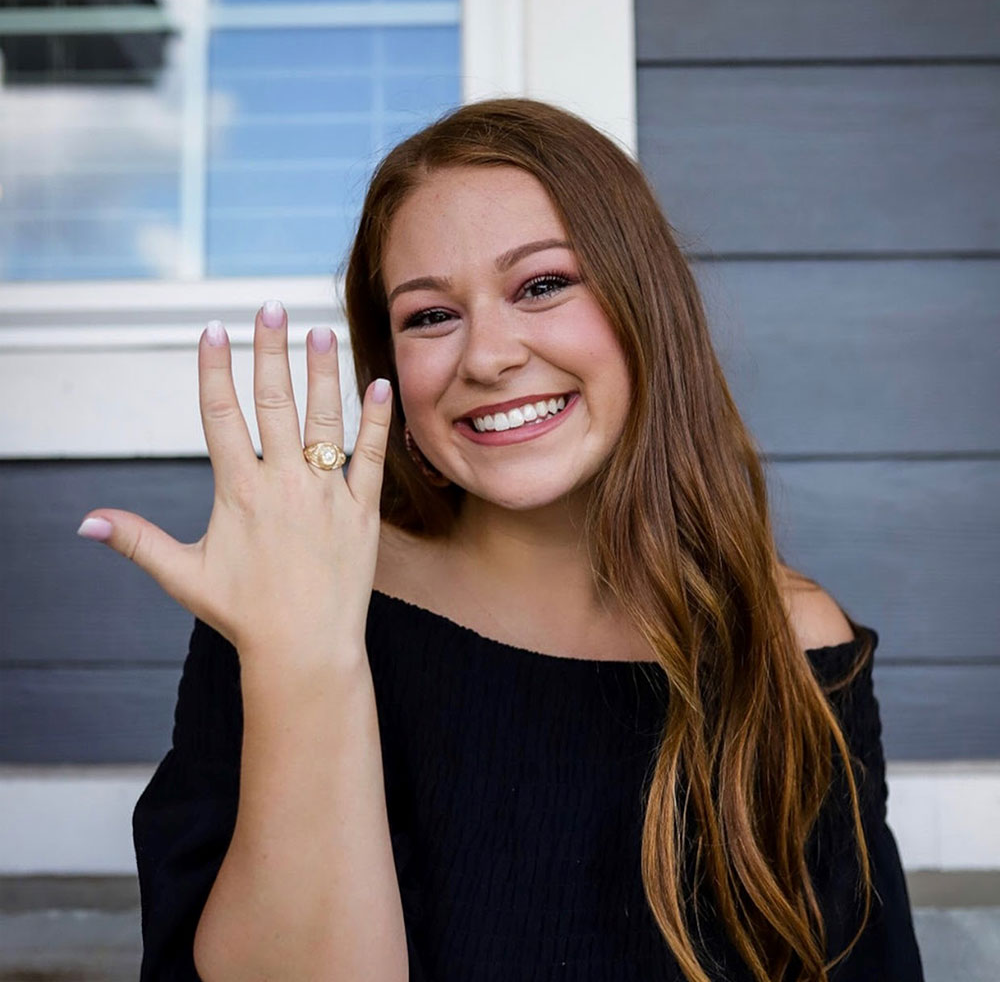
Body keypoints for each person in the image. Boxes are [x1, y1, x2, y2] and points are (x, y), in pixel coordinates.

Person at [77, 98, 924, 981]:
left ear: (649, 308)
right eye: (430, 317)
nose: (486, 357)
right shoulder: (292, 598)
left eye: (543, 286)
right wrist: (305, 658)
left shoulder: (794, 643)